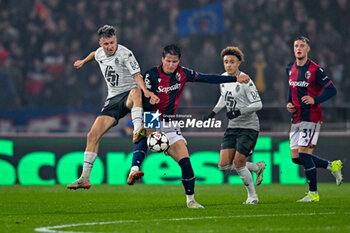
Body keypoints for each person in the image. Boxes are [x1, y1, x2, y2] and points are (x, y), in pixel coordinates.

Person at [127, 44, 250, 208]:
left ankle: (191, 201)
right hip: (153, 116)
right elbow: (146, 101)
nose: (171, 65)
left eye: (174, 61)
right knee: (145, 137)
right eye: (168, 61)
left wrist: (234, 78)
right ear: (162, 59)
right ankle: (134, 169)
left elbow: (208, 78)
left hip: (171, 123)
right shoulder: (151, 74)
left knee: (186, 162)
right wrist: (150, 115)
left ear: (179, 61)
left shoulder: (183, 73)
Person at [66, 25, 159, 190]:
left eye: (112, 42)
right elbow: (94, 55)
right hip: (113, 98)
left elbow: (137, 76)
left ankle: (138, 130)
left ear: (116, 40)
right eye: (106, 44)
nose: (110, 47)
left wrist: (146, 92)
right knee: (92, 135)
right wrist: (83, 61)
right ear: (100, 43)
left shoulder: (125, 54)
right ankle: (84, 178)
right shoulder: (100, 52)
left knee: (136, 91)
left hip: (130, 95)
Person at [203, 46, 265, 204]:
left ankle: (252, 196)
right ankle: (256, 167)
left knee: (238, 164)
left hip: (249, 126)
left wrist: (239, 112)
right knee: (223, 166)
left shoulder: (245, 80)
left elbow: (258, 104)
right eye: (226, 62)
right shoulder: (223, 78)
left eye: (232, 62)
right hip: (232, 126)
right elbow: (224, 98)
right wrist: (213, 112)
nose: (228, 65)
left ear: (239, 63)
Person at [286, 36, 343, 202]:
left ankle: (313, 194)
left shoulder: (316, 70)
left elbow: (332, 90)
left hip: (311, 117)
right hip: (296, 117)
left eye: (302, 46)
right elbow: (291, 90)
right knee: (296, 158)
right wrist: (289, 104)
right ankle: (332, 165)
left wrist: (315, 99)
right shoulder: (290, 68)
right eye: (296, 45)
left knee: (304, 154)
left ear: (307, 49)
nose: (298, 48)